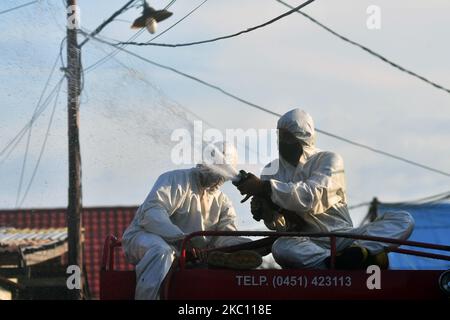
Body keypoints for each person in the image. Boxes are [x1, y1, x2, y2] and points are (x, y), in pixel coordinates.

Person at [237, 108, 415, 270]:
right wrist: (265, 211)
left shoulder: (328, 160)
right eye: (280, 136)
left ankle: (358, 252)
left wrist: (266, 189)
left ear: (303, 138)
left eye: (288, 136)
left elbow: (312, 197)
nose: (282, 141)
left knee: (403, 219)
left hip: (343, 238)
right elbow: (280, 226)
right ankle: (339, 262)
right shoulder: (271, 171)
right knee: (281, 247)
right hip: (306, 242)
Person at [122, 141, 261, 300]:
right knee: (162, 252)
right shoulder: (175, 179)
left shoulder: (223, 203)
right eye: (216, 168)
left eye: (222, 173)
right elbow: (152, 214)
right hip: (144, 236)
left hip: (190, 253)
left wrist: (243, 246)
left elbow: (224, 236)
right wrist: (181, 240)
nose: (218, 177)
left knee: (241, 244)